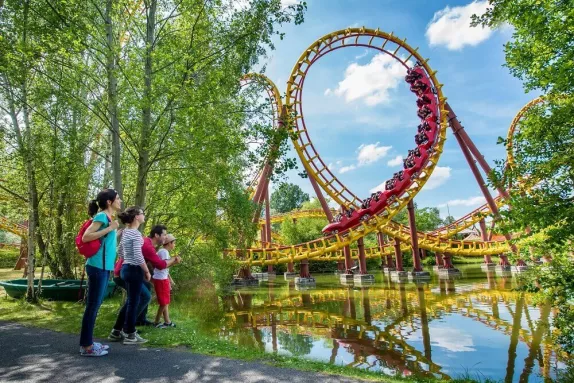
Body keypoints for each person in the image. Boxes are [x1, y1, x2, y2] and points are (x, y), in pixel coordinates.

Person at [108, 225, 181, 341]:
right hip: (124, 273)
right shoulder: (147, 245)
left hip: (128, 272)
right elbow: (161, 265)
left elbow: (151, 264)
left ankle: (119, 330)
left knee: (136, 297)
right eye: (164, 234)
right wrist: (174, 259)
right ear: (157, 235)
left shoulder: (148, 244)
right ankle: (128, 329)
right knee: (144, 297)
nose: (166, 237)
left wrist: (148, 275)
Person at [79, 188, 122, 357]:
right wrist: (110, 228)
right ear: (110, 202)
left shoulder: (108, 218)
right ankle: (86, 347)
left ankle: (88, 342)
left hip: (103, 267)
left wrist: (116, 231)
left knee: (95, 306)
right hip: (97, 266)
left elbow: (105, 240)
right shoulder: (102, 216)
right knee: (92, 306)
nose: (120, 201)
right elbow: (86, 237)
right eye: (118, 198)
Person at [114, 206, 150, 344]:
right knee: (133, 303)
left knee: (131, 301)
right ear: (136, 217)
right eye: (142, 213)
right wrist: (146, 271)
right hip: (134, 269)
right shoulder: (135, 233)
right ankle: (130, 334)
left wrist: (127, 260)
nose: (143, 215)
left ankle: (117, 331)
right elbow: (138, 255)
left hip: (125, 268)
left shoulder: (126, 232)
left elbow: (120, 252)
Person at [153, 234, 179, 328]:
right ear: (169, 243)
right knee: (164, 302)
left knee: (165, 301)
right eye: (174, 243)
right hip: (160, 279)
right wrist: (175, 262)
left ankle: (167, 321)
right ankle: (156, 322)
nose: (174, 244)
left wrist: (170, 279)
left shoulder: (164, 251)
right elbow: (163, 266)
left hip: (162, 278)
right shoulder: (164, 252)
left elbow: (164, 268)